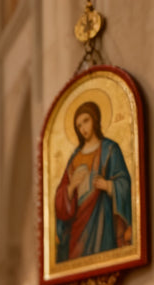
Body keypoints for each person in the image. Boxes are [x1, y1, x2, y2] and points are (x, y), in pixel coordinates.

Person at [55, 100, 132, 263]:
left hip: (102, 218)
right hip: (78, 224)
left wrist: (109, 186)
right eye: (78, 126)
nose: (83, 128)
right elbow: (60, 198)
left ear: (95, 119)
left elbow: (125, 183)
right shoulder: (74, 158)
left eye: (86, 121)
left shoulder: (110, 149)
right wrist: (71, 188)